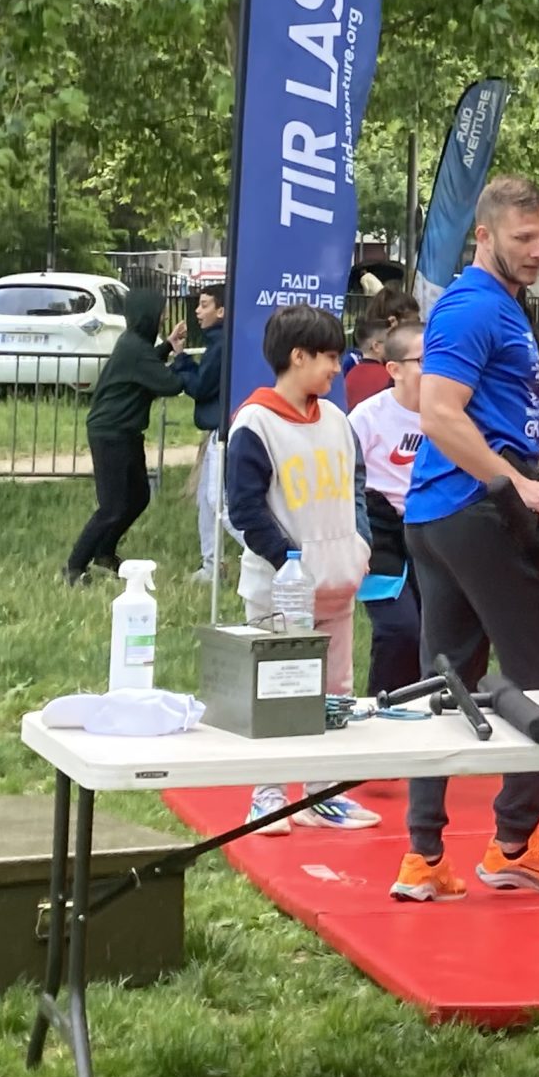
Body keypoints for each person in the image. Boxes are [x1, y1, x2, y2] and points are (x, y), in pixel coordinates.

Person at [391, 177, 539, 905]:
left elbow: (501, 417)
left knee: (443, 683)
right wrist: (519, 485)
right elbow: (440, 414)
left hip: (445, 514)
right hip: (476, 512)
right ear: (484, 236)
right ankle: (516, 842)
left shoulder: (496, 305)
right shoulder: (474, 306)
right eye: (523, 239)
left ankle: (422, 856)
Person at [224, 303, 378, 834]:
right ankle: (267, 797)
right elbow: (245, 508)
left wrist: (359, 545)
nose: (337, 367)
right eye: (329, 356)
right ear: (298, 356)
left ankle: (322, 793)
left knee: (335, 693)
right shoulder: (255, 423)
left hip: (338, 585)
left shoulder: (335, 419)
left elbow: (356, 484)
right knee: (278, 691)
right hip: (279, 593)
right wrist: (290, 561)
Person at [63, 287, 193, 585]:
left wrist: (167, 346)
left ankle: (104, 553)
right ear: (147, 315)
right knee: (112, 506)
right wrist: (184, 361)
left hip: (125, 432)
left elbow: (147, 364)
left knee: (138, 496)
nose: (163, 318)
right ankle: (74, 567)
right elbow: (170, 384)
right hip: (112, 433)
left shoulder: (135, 344)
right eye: (160, 313)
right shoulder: (134, 348)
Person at [348, 319, 426, 697]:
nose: (436, 368)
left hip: (432, 531)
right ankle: (383, 706)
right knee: (400, 630)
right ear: (394, 369)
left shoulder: (451, 413)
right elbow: (343, 481)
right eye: (424, 361)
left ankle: (426, 706)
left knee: (434, 634)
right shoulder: (367, 417)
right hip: (380, 533)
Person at [178, 283, 229, 585]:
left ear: (221, 311)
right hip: (216, 430)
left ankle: (272, 555)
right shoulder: (219, 342)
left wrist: (181, 366)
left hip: (221, 432)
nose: (198, 311)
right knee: (206, 501)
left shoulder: (220, 345)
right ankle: (211, 565)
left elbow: (200, 386)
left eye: (205, 304)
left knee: (218, 501)